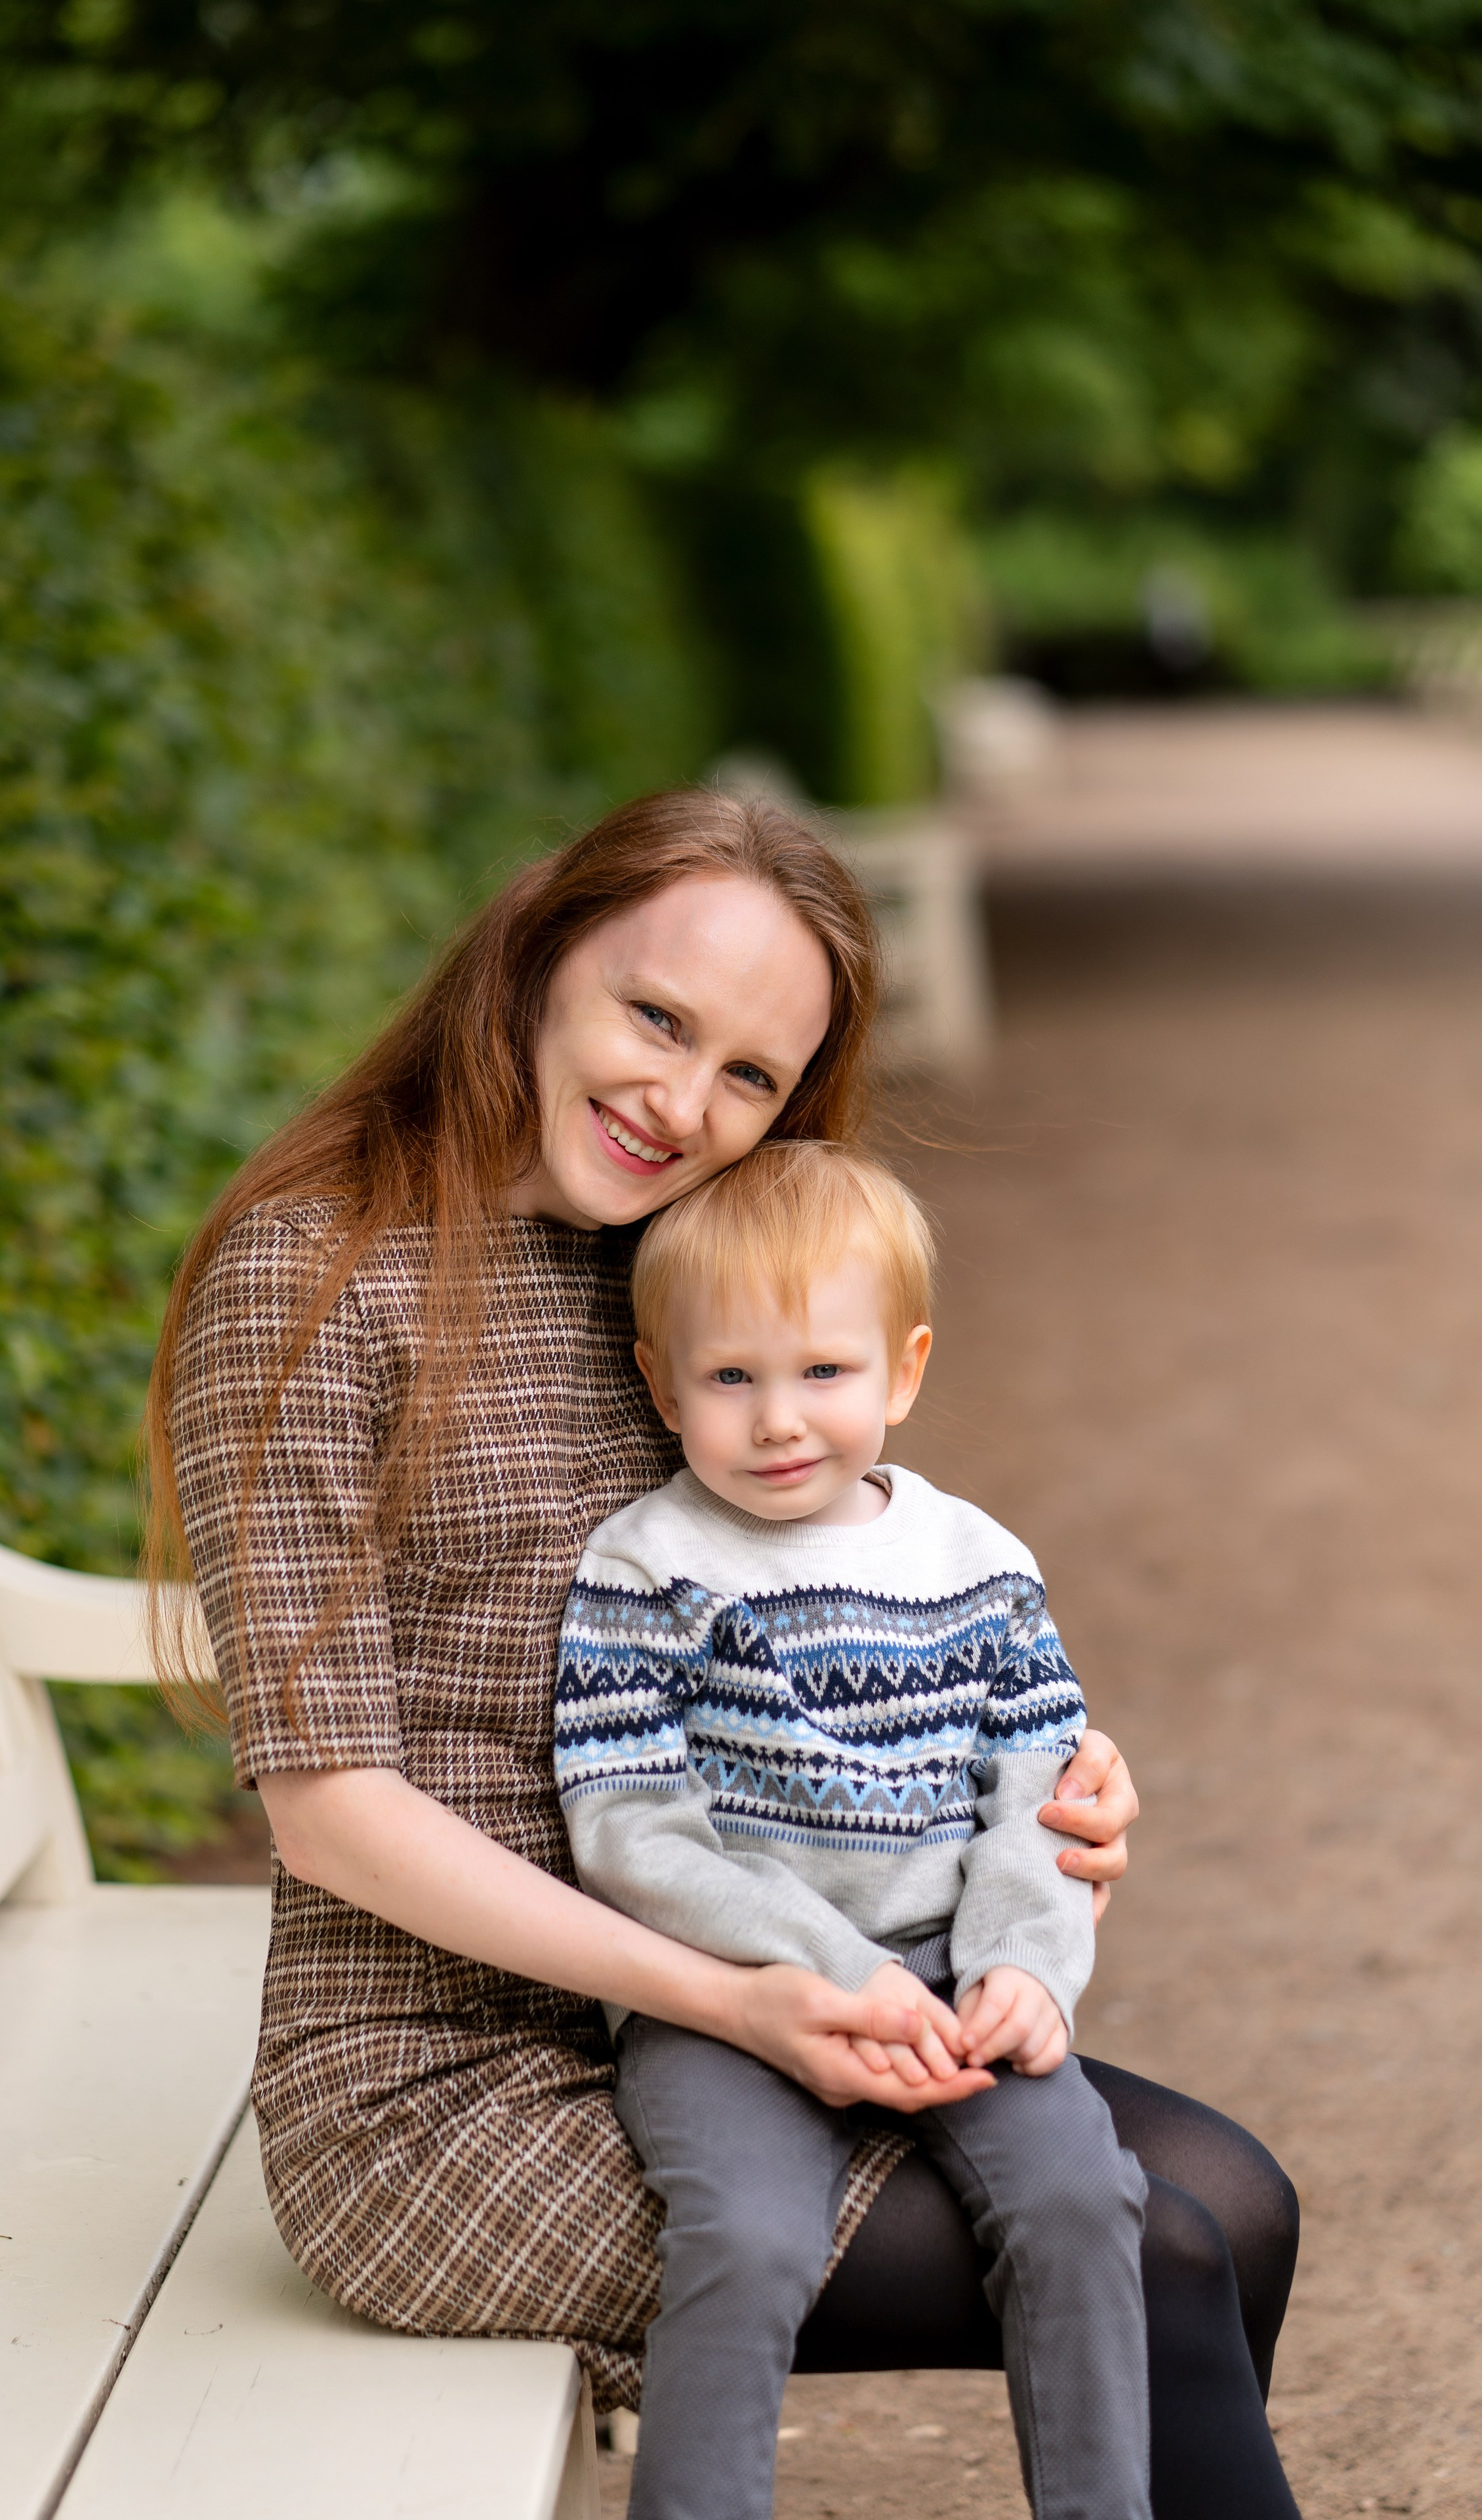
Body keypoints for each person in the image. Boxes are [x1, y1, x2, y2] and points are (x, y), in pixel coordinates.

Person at [147, 788, 1299, 2520]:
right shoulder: (317, 1278)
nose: (684, 1105)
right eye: (655, 1018)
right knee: (1170, 2261)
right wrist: (747, 2002)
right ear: (538, 958)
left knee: (1238, 2194)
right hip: (453, 2089)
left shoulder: (677, 1271)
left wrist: (1037, 1782)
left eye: (750, 1076)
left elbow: (847, 1610)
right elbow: (332, 1816)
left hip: (776, 1972)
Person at [556, 1141, 1151, 2520]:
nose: (777, 1420)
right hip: (732, 1996)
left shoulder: (976, 1566)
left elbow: (1038, 1799)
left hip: (954, 1974)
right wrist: (829, 1971)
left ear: (903, 1368)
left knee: (1078, 2202)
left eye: (821, 1372)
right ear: (661, 1385)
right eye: (729, 1378)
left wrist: (1023, 1967)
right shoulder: (644, 1568)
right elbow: (629, 1832)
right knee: (747, 2241)